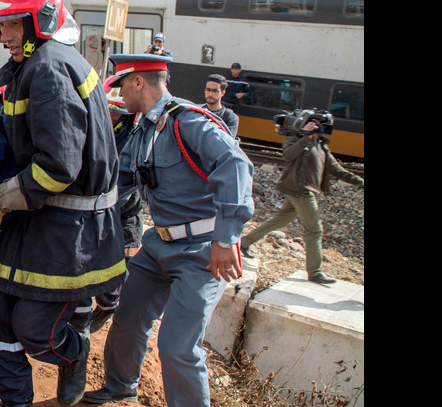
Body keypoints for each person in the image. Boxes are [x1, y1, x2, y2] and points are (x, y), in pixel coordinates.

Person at [0, 0, 127, 407]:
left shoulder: (50, 69)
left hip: (67, 236)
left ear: (41, 19)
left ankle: (74, 353)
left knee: (37, 333)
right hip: (36, 224)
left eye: (15, 23)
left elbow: (57, 168)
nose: (6, 36)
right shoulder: (33, 64)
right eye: (1, 25)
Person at [83, 53, 253, 407]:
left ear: (138, 82)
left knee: (177, 348)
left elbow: (235, 165)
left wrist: (226, 238)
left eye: (122, 86)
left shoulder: (188, 121)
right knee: (127, 321)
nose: (120, 95)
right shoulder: (145, 126)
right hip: (158, 245)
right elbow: (123, 179)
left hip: (201, 253)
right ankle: (120, 385)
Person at [240, 119, 363, 284]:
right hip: (300, 191)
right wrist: (305, 136)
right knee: (314, 230)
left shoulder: (321, 145)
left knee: (280, 219)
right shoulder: (296, 141)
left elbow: (336, 170)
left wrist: (360, 181)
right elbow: (288, 155)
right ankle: (314, 272)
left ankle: (244, 242)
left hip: (301, 190)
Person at [88, 76, 144, 334]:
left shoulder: (136, 136)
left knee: (114, 278)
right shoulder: (101, 129)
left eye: (116, 111)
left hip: (123, 219)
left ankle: (108, 309)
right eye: (108, 109)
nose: (111, 115)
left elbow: (130, 189)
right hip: (99, 213)